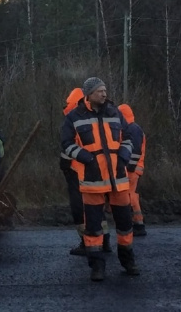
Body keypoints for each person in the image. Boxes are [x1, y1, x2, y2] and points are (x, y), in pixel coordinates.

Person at [61, 77, 138, 281]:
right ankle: (97, 267)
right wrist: (86, 158)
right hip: (92, 180)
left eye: (105, 90)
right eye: (99, 91)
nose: (104, 94)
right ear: (88, 94)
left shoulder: (115, 113)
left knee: (125, 225)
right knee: (93, 228)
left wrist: (123, 156)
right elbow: (66, 143)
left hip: (118, 180)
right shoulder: (74, 117)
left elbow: (128, 137)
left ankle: (128, 261)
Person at [60, 88, 112, 256]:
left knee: (81, 209)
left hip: (77, 173)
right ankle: (105, 240)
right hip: (89, 172)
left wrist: (65, 164)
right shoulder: (89, 118)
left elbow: (69, 147)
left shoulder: (74, 119)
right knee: (96, 207)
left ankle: (87, 242)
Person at [118, 103, 147, 237]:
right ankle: (137, 223)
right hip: (134, 168)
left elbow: (134, 151)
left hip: (132, 168)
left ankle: (138, 225)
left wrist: (129, 167)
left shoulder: (132, 129)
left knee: (130, 196)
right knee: (131, 195)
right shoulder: (132, 128)